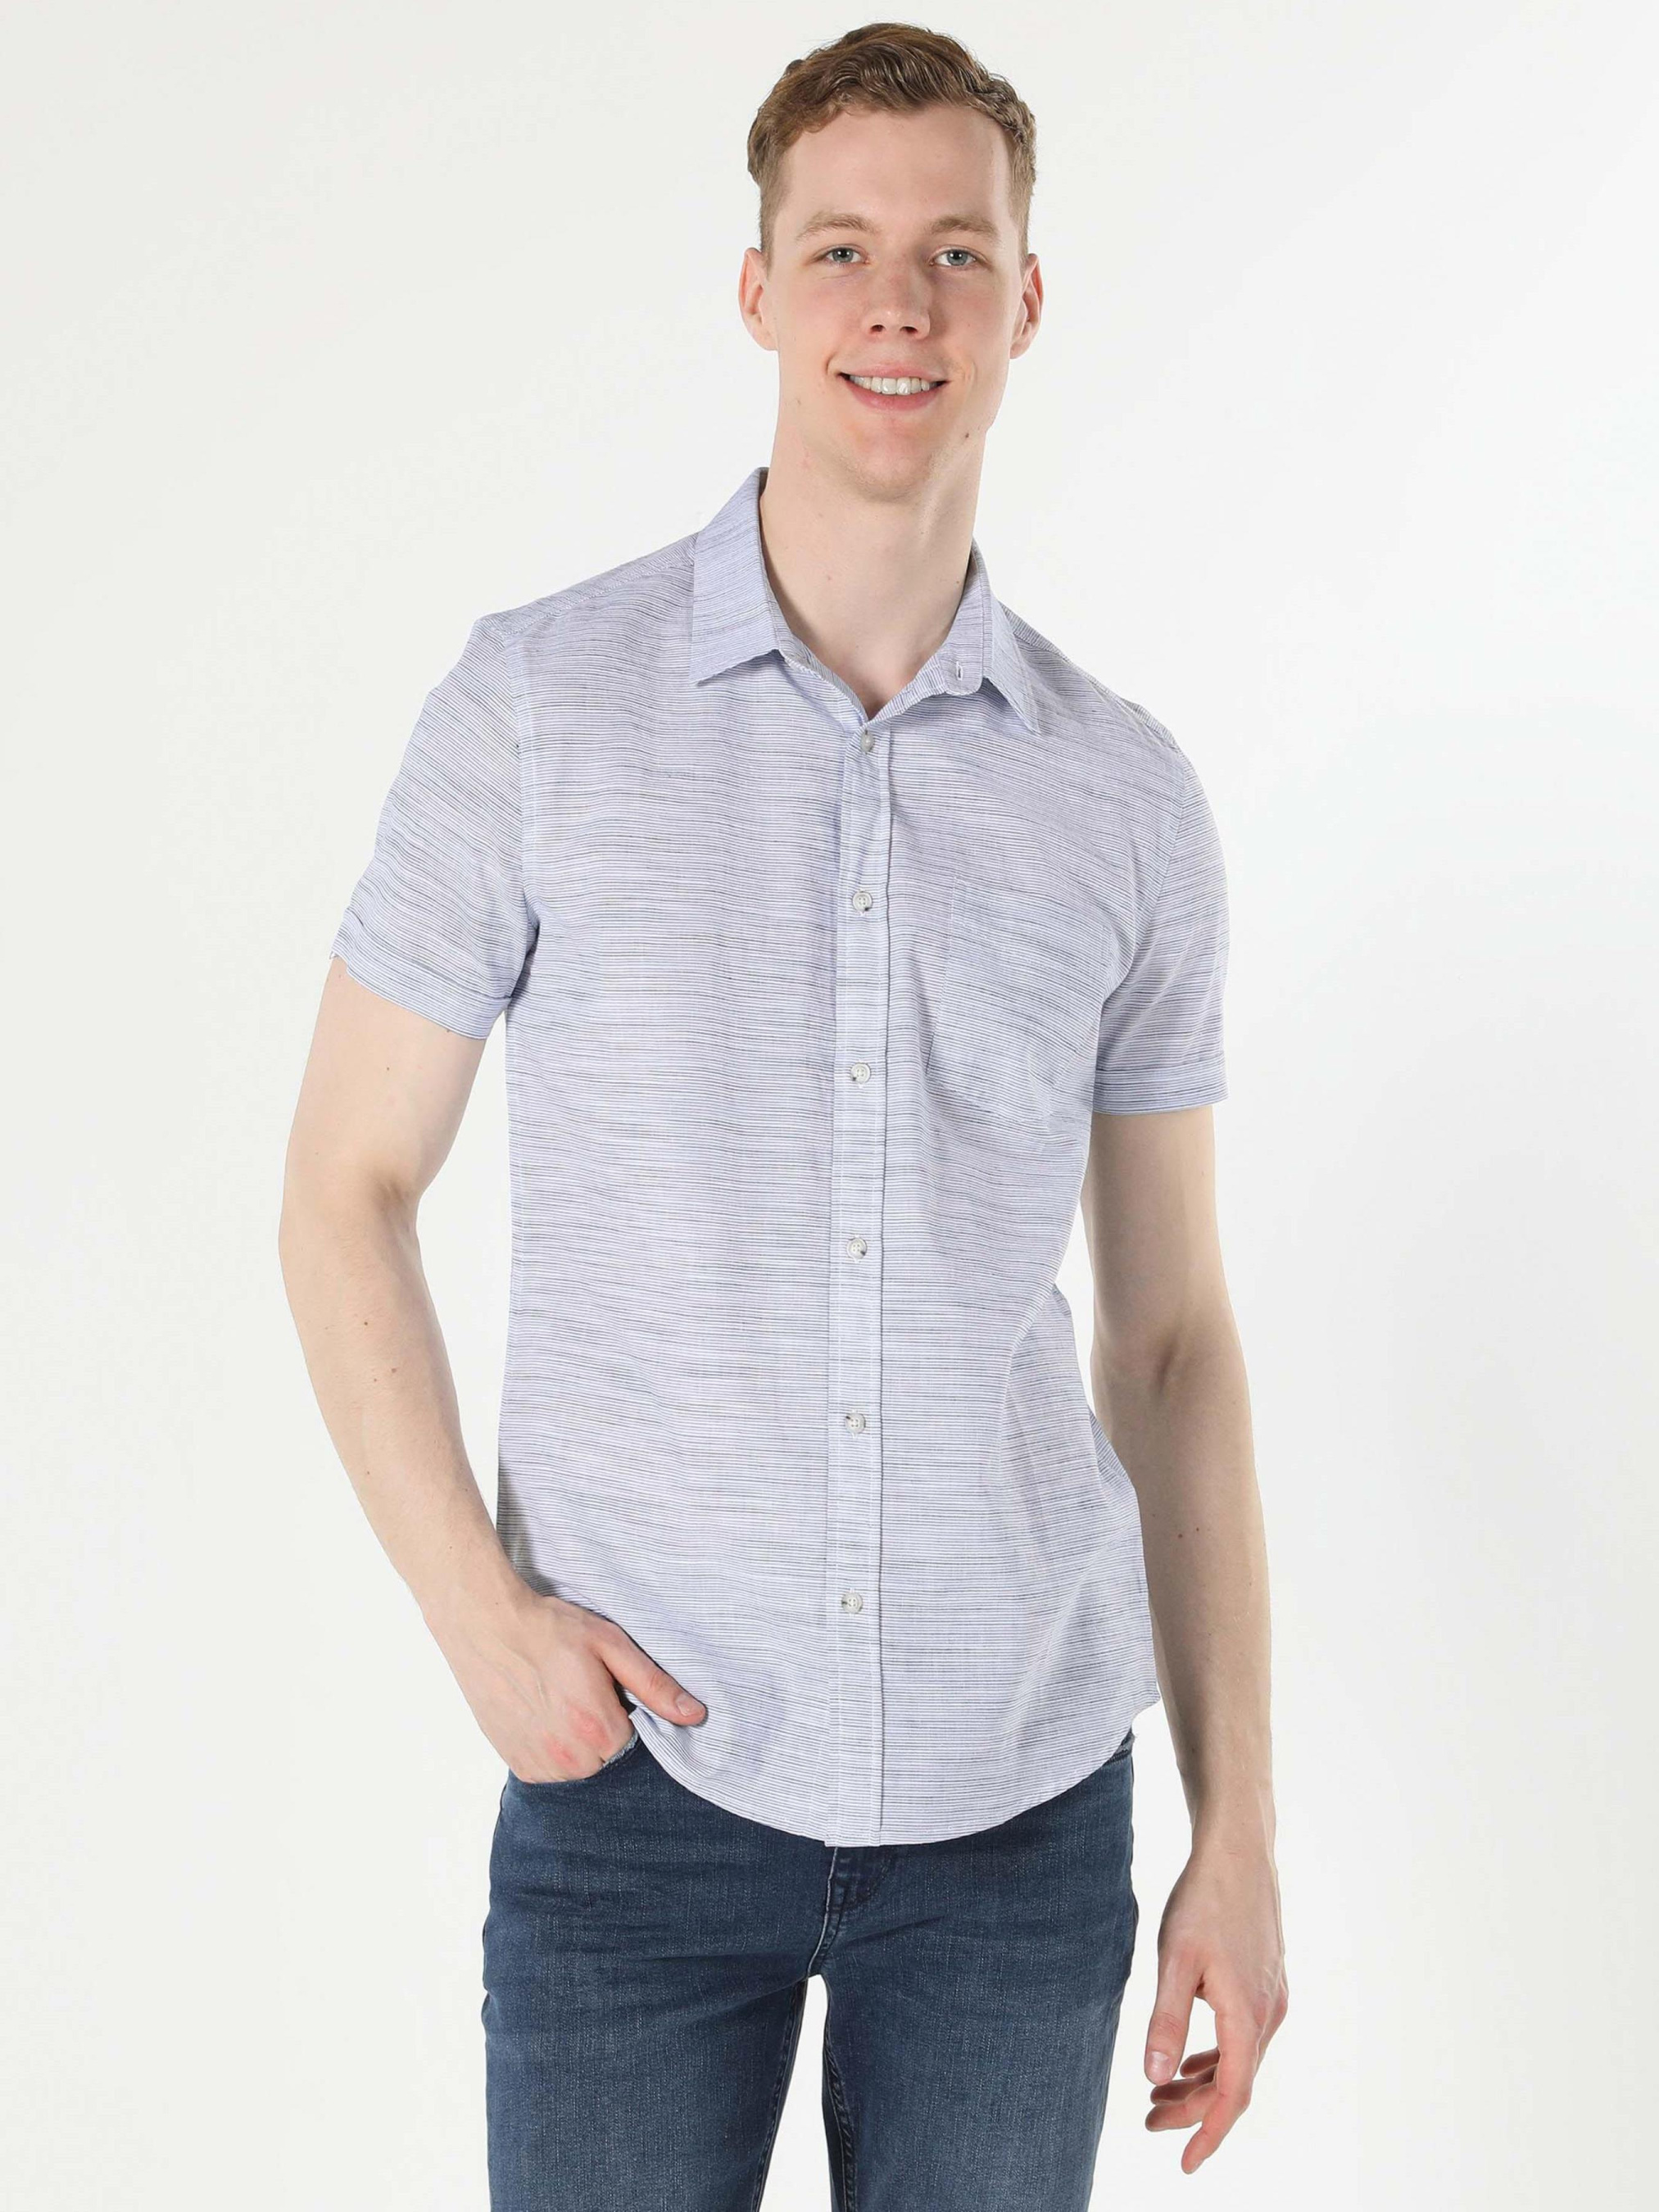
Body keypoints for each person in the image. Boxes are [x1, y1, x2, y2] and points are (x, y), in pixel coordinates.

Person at [279, 21, 1286, 2210]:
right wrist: (480, 1620)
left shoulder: (1126, 800)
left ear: (1026, 301)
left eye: (953, 252)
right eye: (840, 249)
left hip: (1020, 1814)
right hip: (639, 1784)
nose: (896, 304)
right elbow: (344, 1187)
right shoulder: (536, 709)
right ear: (757, 292)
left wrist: (1239, 1829)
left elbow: (1171, 1340)